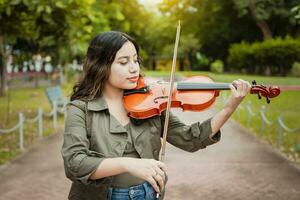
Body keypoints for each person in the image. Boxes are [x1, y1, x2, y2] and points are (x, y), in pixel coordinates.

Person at [61, 31, 251, 200]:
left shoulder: (150, 101)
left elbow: (190, 138)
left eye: (135, 60)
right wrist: (127, 164)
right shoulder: (80, 108)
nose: (134, 68)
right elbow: (74, 163)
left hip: (148, 193)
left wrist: (228, 109)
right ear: (100, 65)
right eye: (124, 62)